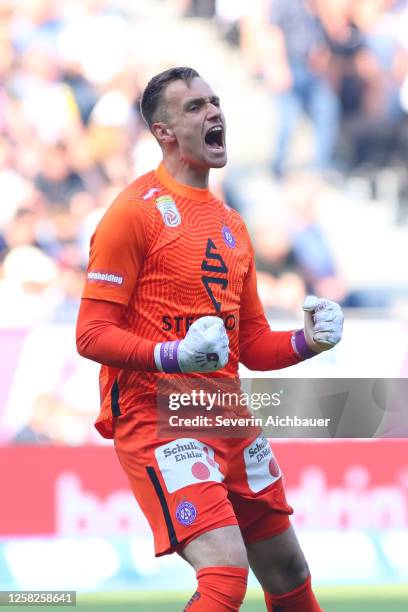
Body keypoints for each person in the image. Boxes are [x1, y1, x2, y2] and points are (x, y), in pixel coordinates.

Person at [76, 67, 343, 611]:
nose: (215, 113)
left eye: (216, 102)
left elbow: (252, 344)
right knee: (225, 570)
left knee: (289, 570)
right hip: (158, 417)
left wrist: (307, 342)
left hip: (225, 414)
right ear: (163, 131)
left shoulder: (230, 224)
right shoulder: (133, 214)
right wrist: (172, 354)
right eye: (195, 107)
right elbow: (91, 334)